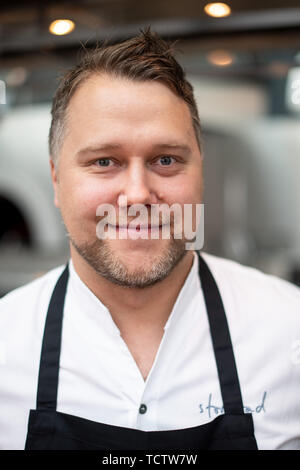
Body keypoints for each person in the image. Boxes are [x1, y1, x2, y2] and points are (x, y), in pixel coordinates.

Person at [0, 28, 299, 451]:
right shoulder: (5, 346)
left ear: (200, 170)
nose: (138, 194)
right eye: (104, 161)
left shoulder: (289, 333)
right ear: (55, 178)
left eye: (166, 160)